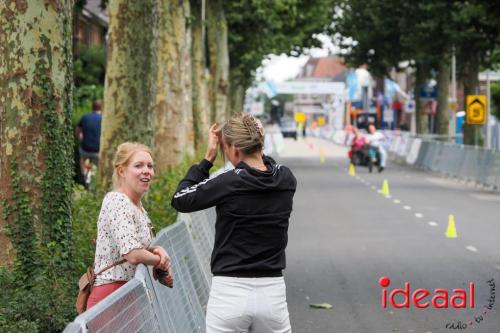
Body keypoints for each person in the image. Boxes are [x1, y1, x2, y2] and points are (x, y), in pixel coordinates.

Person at [171, 113, 297, 333]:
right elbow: (266, 169)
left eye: (225, 149)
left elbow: (180, 199)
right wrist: (257, 142)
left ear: (234, 149)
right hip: (272, 290)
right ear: (259, 144)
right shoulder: (285, 179)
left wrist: (208, 159)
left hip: (230, 291)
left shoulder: (227, 182)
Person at [87, 142, 173, 310]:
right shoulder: (117, 201)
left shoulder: (137, 207)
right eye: (138, 165)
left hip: (128, 297)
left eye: (150, 166)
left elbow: (136, 246)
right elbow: (132, 253)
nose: (147, 170)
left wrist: (157, 249)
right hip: (111, 298)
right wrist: (160, 261)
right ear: (121, 171)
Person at [76, 100, 102, 176]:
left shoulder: (85, 117)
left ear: (92, 107)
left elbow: (77, 130)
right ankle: (96, 177)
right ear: (102, 108)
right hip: (98, 150)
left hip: (85, 149)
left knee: (82, 159)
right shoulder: (103, 118)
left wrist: (80, 138)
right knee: (99, 164)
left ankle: (85, 175)